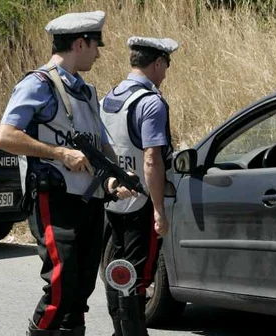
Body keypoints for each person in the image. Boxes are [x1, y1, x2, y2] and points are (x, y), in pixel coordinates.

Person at [0, 11, 137, 336]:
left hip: (89, 202)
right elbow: (4, 137)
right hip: (54, 199)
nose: (98, 53)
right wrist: (59, 153)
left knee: (80, 291)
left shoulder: (85, 92)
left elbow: (101, 145)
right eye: (94, 45)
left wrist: (113, 178)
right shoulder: (38, 84)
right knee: (61, 287)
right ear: (79, 43)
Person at [99, 36, 179, 336]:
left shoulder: (110, 97)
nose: (166, 73)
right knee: (137, 275)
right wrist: (159, 210)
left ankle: (119, 331)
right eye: (166, 65)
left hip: (112, 198)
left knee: (116, 268)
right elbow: (151, 159)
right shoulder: (150, 102)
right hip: (140, 201)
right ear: (157, 63)